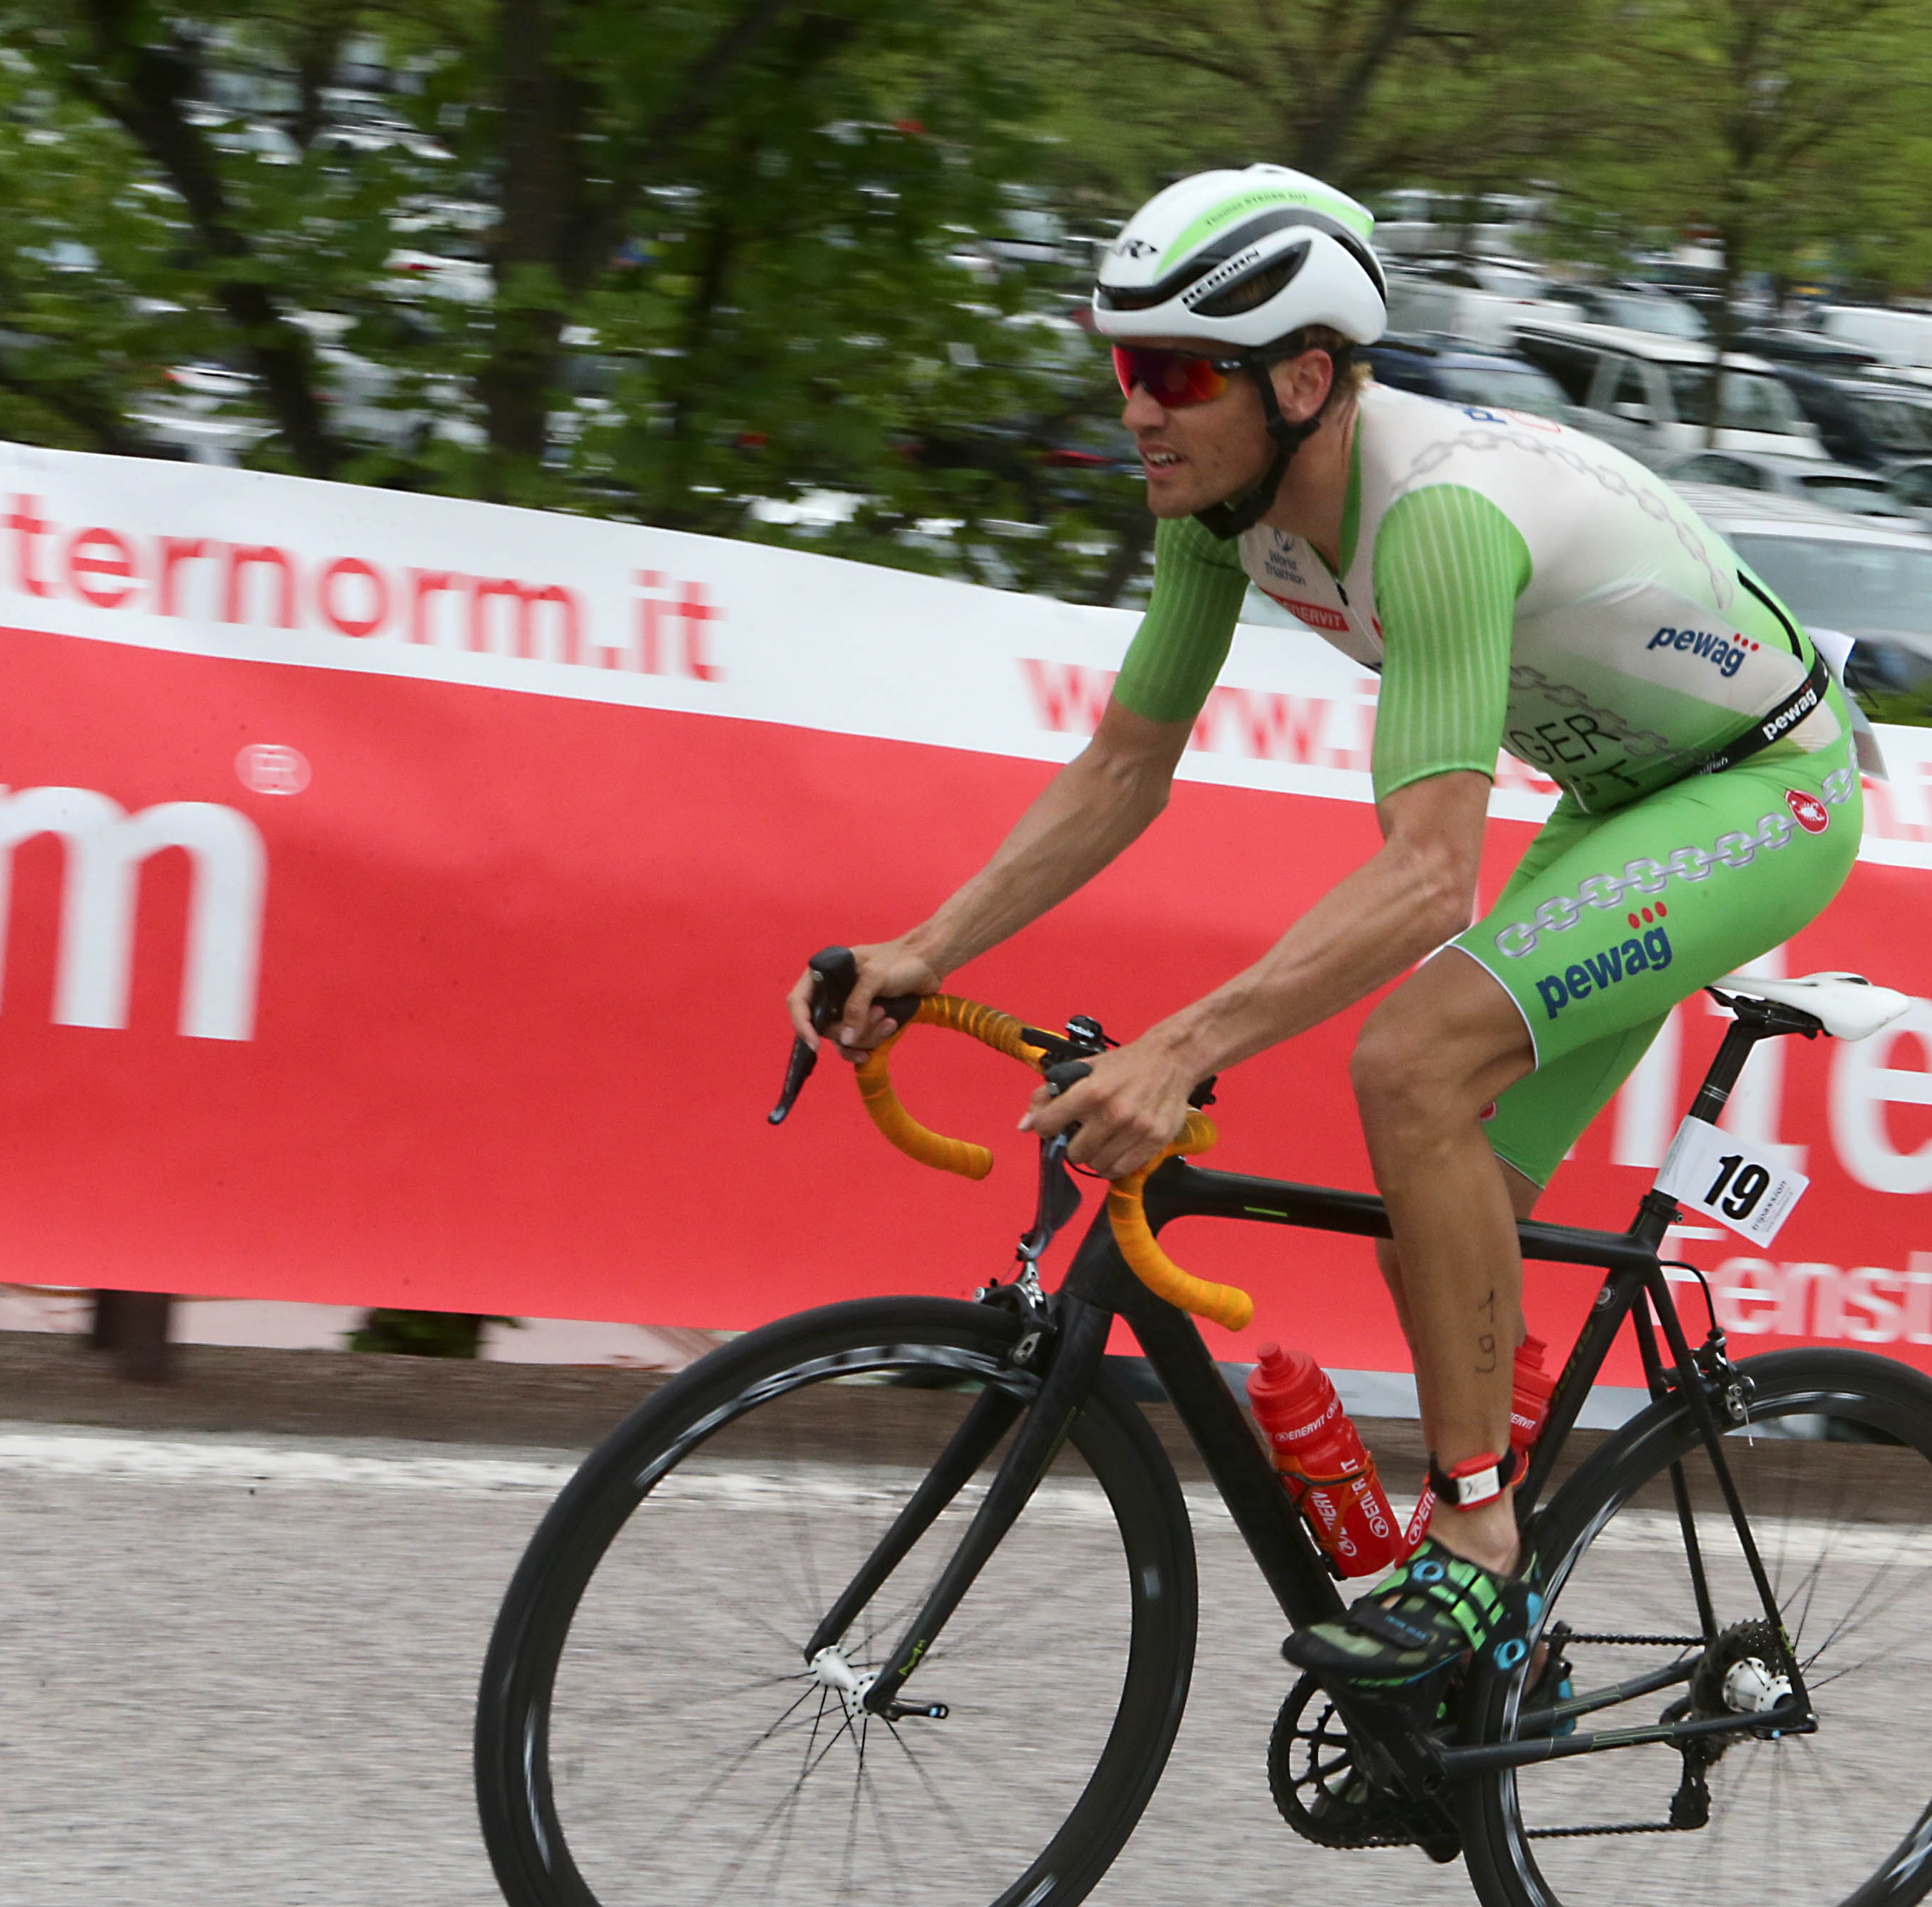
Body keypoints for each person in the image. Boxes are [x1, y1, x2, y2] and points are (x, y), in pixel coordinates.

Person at [791, 165, 1866, 1693]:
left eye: (1175, 373)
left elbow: (1431, 877)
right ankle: (1511, 1643)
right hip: (1623, 799)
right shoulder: (1223, 510)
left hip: (1765, 791)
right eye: (1122, 367)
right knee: (1440, 1217)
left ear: (1305, 380)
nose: (1137, 410)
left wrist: (1181, 1048)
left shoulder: (1431, 522)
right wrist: (926, 950)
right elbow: (1123, 767)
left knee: (1409, 1066)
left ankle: (1480, 1547)